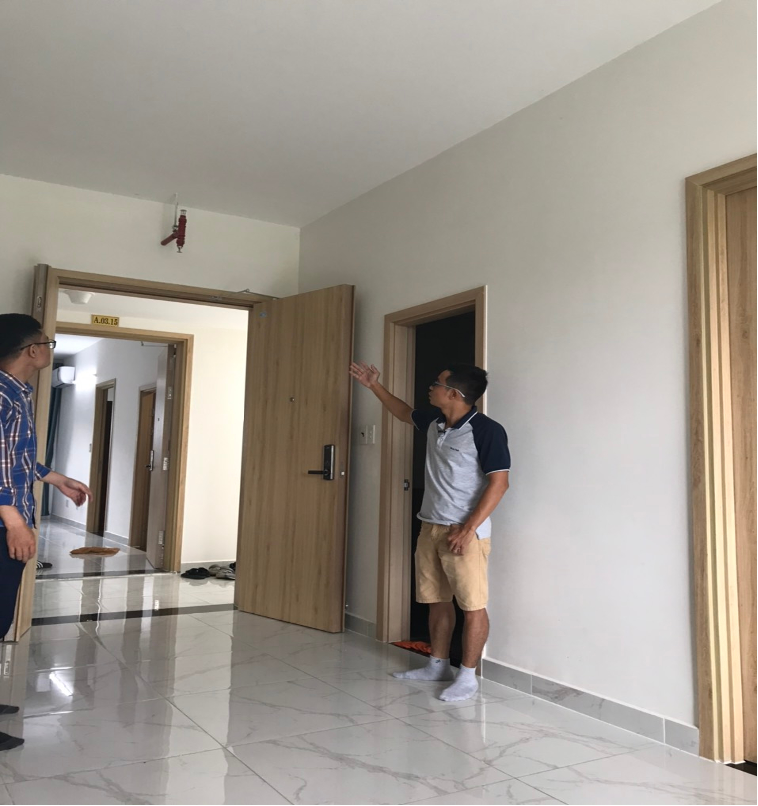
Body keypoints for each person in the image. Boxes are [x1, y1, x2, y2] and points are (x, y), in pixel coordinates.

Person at [350, 360, 510, 702]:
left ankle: (467, 676)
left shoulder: (486, 430)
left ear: (454, 394)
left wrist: (468, 529)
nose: (431, 387)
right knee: (436, 600)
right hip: (431, 526)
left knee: (472, 605)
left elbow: (499, 484)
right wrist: (373, 385)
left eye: (437, 383)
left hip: (465, 533)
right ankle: (437, 665)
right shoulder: (436, 423)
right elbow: (402, 411)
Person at [0, 314, 93, 751]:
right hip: (3, 522)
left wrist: (56, 478)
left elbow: (14, 458)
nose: (48, 349)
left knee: (1, 614)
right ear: (32, 350)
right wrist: (14, 521)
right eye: (46, 342)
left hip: (10, 517)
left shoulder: (17, 392)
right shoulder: (2, 394)